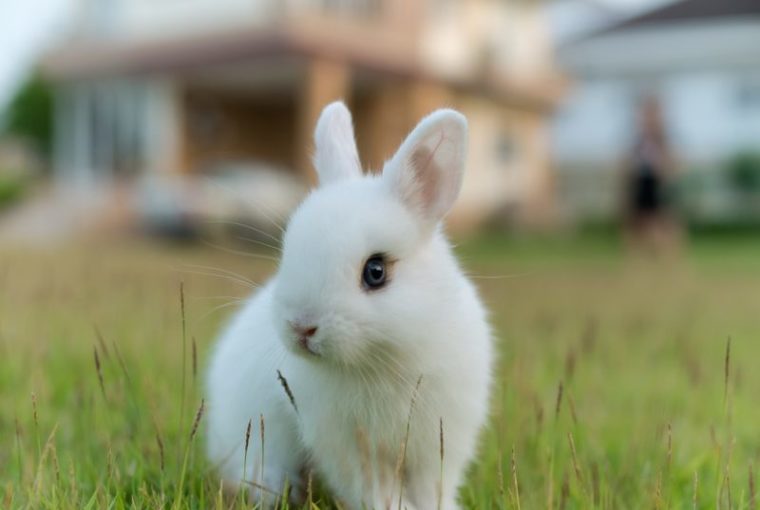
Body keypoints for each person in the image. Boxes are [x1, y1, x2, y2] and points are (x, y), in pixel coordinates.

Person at [624, 95, 680, 254]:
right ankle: (639, 257)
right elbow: (632, 161)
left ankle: (669, 254)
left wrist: (667, 175)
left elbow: (671, 161)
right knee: (638, 221)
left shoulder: (663, 137)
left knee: (664, 221)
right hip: (642, 180)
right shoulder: (639, 138)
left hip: (658, 181)